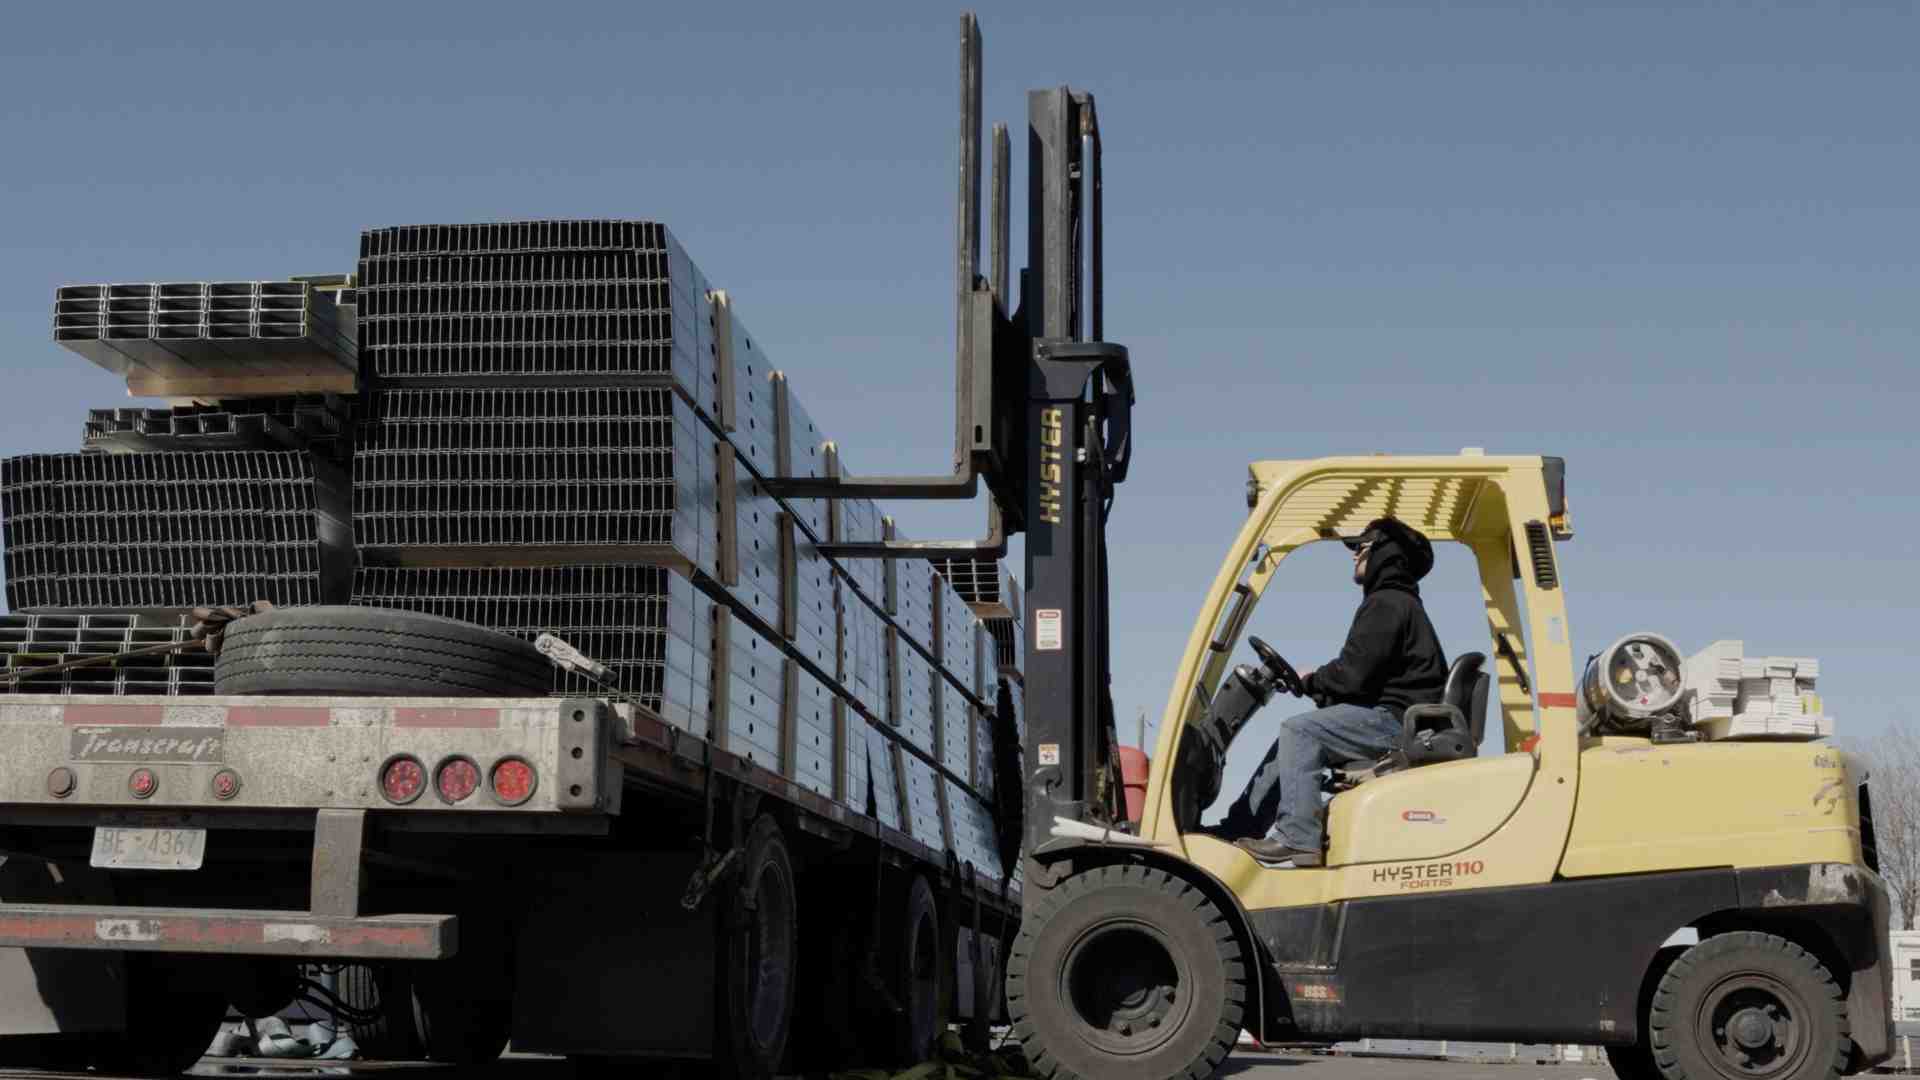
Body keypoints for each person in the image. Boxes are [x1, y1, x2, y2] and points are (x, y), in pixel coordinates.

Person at [1223, 516, 1448, 868]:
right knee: (1295, 737)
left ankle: (1298, 838)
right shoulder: (1397, 603)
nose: (1354, 554)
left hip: (1395, 721)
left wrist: (1313, 679)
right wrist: (1317, 683)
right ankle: (1236, 828)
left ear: (1384, 553)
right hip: (1392, 714)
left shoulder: (1386, 603)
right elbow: (1362, 676)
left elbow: (1353, 677)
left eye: (1361, 547)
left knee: (1300, 729)